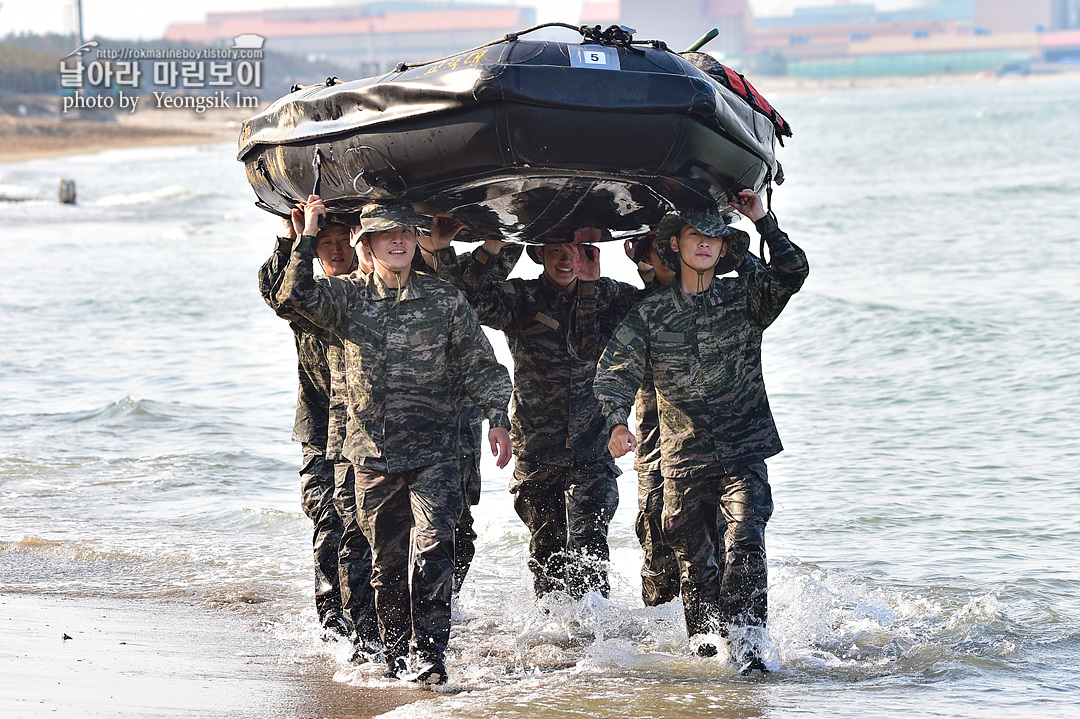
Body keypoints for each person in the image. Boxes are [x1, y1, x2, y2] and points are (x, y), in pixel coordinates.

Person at [277, 195, 513, 685]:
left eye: (406, 232)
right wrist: (306, 235)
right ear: (370, 243)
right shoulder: (345, 299)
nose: (399, 240)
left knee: (434, 550)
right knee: (385, 564)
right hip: (371, 455)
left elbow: (482, 365)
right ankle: (394, 654)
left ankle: (429, 657)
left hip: (436, 453)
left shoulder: (444, 299)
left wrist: (497, 417)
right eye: (387, 234)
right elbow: (292, 298)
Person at [592, 191, 808, 673]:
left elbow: (792, 273)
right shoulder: (652, 313)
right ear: (677, 244)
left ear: (724, 249)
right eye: (696, 235)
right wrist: (617, 421)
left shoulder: (745, 299)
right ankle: (707, 661)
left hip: (743, 452)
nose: (706, 244)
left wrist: (761, 221)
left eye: (715, 238)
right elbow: (615, 370)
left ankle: (751, 651)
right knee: (697, 567)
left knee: (746, 544)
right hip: (683, 459)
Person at [426, 226, 638, 600]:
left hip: (593, 446)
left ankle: (599, 643)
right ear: (538, 253)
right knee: (548, 555)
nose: (565, 260)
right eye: (555, 250)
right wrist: (489, 246)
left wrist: (647, 260)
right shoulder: (521, 297)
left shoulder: (608, 294)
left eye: (575, 251)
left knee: (589, 547)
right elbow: (465, 300)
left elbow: (657, 306)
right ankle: (556, 641)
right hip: (537, 447)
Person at [257, 211, 356, 640]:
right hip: (318, 428)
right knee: (326, 523)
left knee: (366, 531)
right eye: (324, 243)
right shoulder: (308, 295)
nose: (335, 250)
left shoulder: (373, 293)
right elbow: (274, 291)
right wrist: (292, 238)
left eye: (342, 240)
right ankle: (334, 631)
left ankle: (372, 624)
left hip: (365, 433)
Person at [571, 232, 682, 607]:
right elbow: (588, 348)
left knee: (714, 544)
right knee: (656, 531)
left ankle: (719, 639)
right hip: (655, 440)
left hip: (713, 448)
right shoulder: (634, 305)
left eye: (666, 249)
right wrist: (587, 285)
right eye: (655, 249)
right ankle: (663, 632)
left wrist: (651, 271)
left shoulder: (714, 297)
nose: (663, 257)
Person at [417, 220, 523, 595]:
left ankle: (443, 605)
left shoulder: (457, 274)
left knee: (459, 524)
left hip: (459, 420)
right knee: (406, 528)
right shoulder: (388, 280)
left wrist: (492, 243)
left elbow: (463, 301)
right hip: (404, 430)